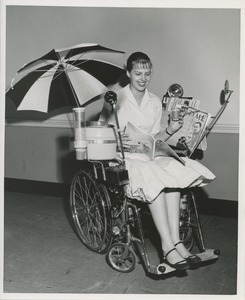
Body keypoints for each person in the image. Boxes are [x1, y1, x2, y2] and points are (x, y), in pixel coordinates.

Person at [100, 52, 215, 270]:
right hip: (126, 159)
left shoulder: (154, 101)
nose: (142, 78)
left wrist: (170, 130)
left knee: (176, 170)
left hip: (148, 155)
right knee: (155, 179)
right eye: (137, 73)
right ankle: (166, 246)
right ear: (128, 73)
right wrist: (114, 137)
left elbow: (155, 139)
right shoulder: (114, 98)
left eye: (147, 73)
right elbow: (101, 133)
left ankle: (177, 242)